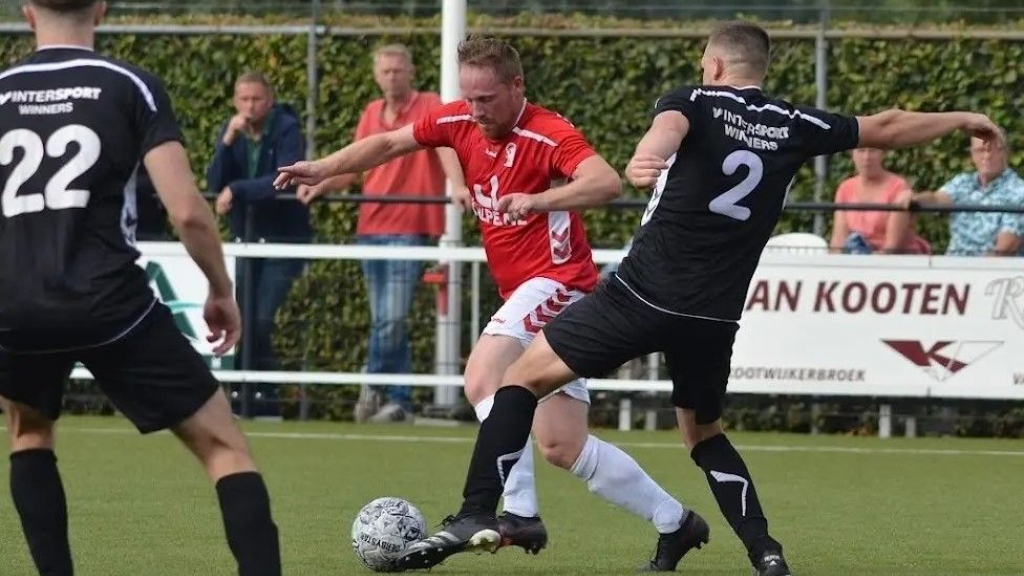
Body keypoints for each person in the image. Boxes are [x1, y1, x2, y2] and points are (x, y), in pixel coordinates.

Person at [395, 22, 1004, 576]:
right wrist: (962, 119)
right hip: (713, 315)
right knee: (704, 433)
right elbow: (889, 125)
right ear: (759, 68)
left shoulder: (692, 100)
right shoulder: (795, 123)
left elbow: (670, 128)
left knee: (517, 381)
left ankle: (479, 511)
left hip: (642, 294)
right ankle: (765, 552)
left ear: (712, 65)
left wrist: (651, 152)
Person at [279, 35, 706, 572]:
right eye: (469, 98)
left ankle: (517, 512)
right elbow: (389, 143)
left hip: (558, 282)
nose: (475, 110)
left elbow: (606, 182)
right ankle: (677, 522)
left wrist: (539, 199)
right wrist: (323, 167)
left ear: (517, 85)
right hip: (529, 292)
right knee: (561, 444)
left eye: (487, 99)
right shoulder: (457, 121)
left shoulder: (548, 132)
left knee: (483, 374)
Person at [0, 2, 282, 575]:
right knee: (224, 447)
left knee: (29, 435)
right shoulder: (129, 85)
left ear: (27, 11)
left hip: (15, 306)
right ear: (101, 6)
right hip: (112, 304)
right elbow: (188, 212)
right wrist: (220, 290)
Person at [298, 44, 462, 423]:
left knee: (391, 318)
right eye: (385, 71)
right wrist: (320, 182)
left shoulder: (430, 104)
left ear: (411, 72)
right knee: (386, 320)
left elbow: (447, 146)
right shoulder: (371, 111)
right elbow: (356, 163)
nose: (391, 77)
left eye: (397, 70)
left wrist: (456, 184)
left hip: (410, 226)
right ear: (376, 75)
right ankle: (398, 400)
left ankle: (372, 387)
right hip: (370, 226)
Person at [207, 71, 310, 415]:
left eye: (257, 99)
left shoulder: (286, 128)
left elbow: (284, 178)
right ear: (236, 101)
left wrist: (238, 190)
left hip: (282, 239)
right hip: (245, 239)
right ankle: (247, 399)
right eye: (244, 99)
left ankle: (267, 400)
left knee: (262, 318)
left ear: (270, 100)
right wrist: (226, 142)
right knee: (243, 319)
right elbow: (214, 181)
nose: (250, 107)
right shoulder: (231, 129)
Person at [908, 137, 1023, 256]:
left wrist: (974, 272)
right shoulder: (962, 182)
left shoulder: (1019, 191)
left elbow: (1005, 249)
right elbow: (936, 199)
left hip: (991, 270)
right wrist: (914, 200)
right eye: (980, 150)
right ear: (972, 154)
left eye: (993, 150)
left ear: (1005, 152)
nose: (987, 155)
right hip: (952, 266)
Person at [829, 147, 928, 254]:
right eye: (861, 151)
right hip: (857, 259)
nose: (866, 157)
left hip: (892, 262)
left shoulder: (898, 187)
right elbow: (838, 239)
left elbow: (892, 247)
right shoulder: (845, 188)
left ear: (883, 154)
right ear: (852, 155)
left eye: (873, 151)